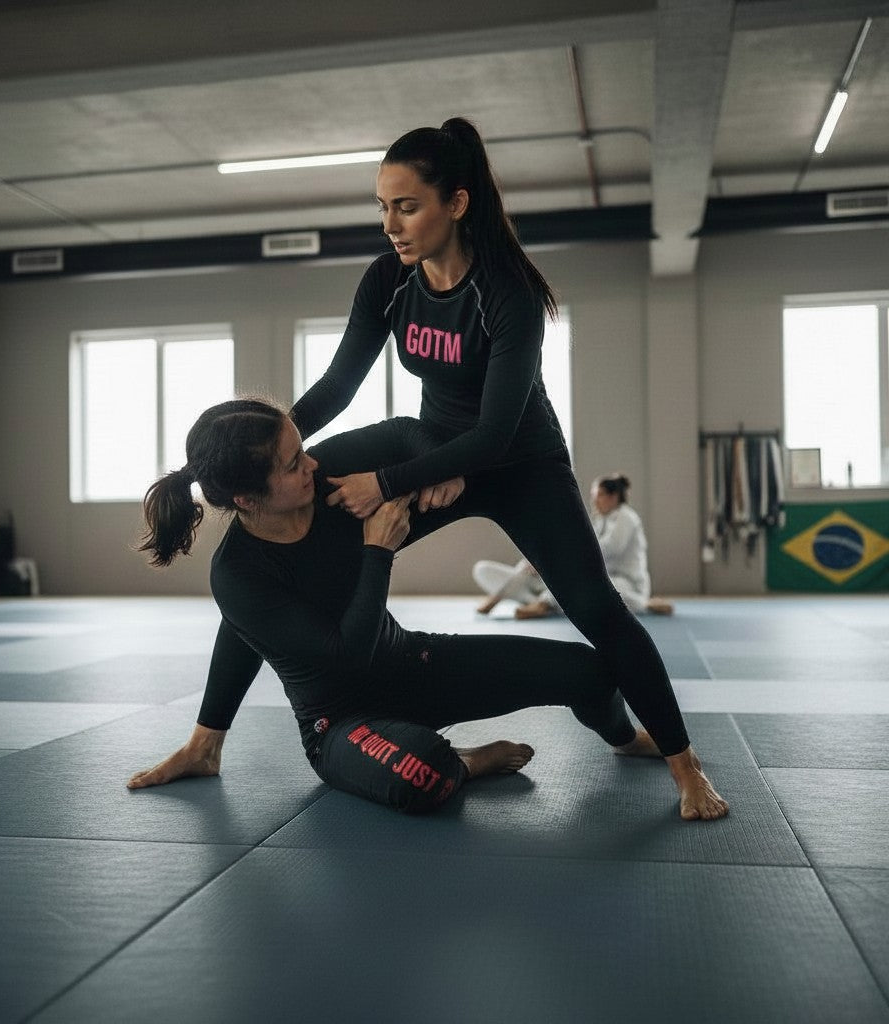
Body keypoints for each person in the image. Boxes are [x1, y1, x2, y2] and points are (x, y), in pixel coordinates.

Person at [284, 116, 726, 819]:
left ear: (455, 203)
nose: (390, 225)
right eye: (382, 207)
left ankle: (682, 763)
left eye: (407, 206)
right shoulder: (389, 281)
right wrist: (271, 439)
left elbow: (493, 436)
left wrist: (390, 482)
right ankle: (227, 734)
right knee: (321, 552)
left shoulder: (506, 291)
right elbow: (339, 386)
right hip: (437, 451)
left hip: (521, 462)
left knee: (598, 613)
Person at [129, 399, 728, 821]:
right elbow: (340, 659)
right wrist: (377, 552)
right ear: (245, 498)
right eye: (292, 465)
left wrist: (435, 469)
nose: (310, 464)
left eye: (301, 449)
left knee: (591, 671)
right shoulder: (237, 574)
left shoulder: (329, 477)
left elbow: (406, 430)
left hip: (413, 662)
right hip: (342, 723)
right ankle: (470, 762)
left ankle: (624, 739)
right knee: (424, 775)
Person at [474, 474, 674, 619]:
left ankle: (645, 604)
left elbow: (605, 550)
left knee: (586, 584)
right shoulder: (600, 521)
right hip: (591, 581)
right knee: (489, 569)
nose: (594, 500)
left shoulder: (627, 518)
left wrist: (559, 559)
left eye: (599, 495)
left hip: (625, 583)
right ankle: (542, 599)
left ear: (613, 497)